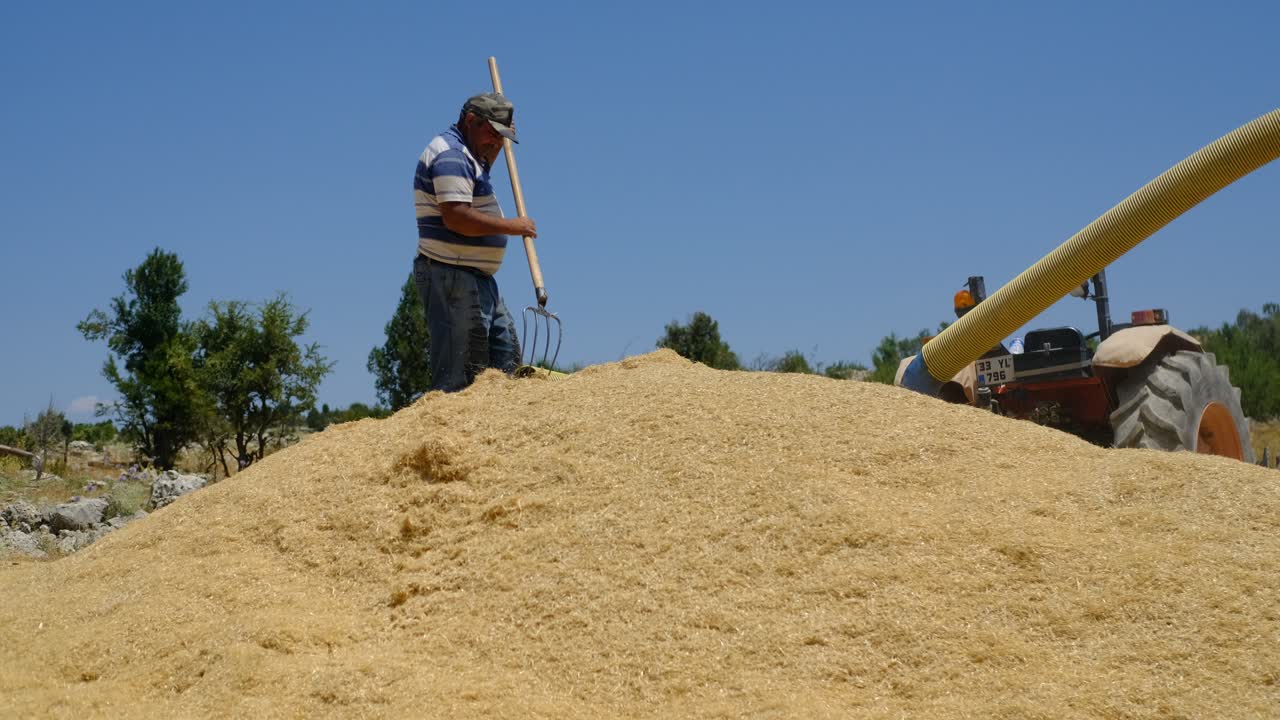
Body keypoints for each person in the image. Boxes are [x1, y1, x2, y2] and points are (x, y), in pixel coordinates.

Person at [412, 93, 538, 392]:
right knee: (462, 377)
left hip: (477, 279)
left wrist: (490, 150)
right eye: (492, 133)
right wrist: (512, 227)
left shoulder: (469, 157)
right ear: (470, 120)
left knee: (503, 366)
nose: (496, 142)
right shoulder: (450, 155)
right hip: (451, 276)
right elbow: (456, 217)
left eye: (502, 137)